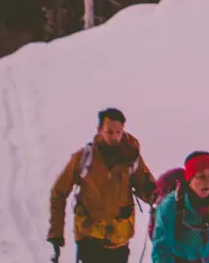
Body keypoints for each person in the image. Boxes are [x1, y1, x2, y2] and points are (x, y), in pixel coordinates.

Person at [48, 107, 158, 263]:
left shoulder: (130, 158)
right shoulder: (84, 158)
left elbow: (146, 187)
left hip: (120, 236)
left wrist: (159, 199)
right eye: (110, 132)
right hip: (89, 235)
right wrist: (56, 233)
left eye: (118, 132)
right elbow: (58, 193)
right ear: (99, 130)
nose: (115, 137)